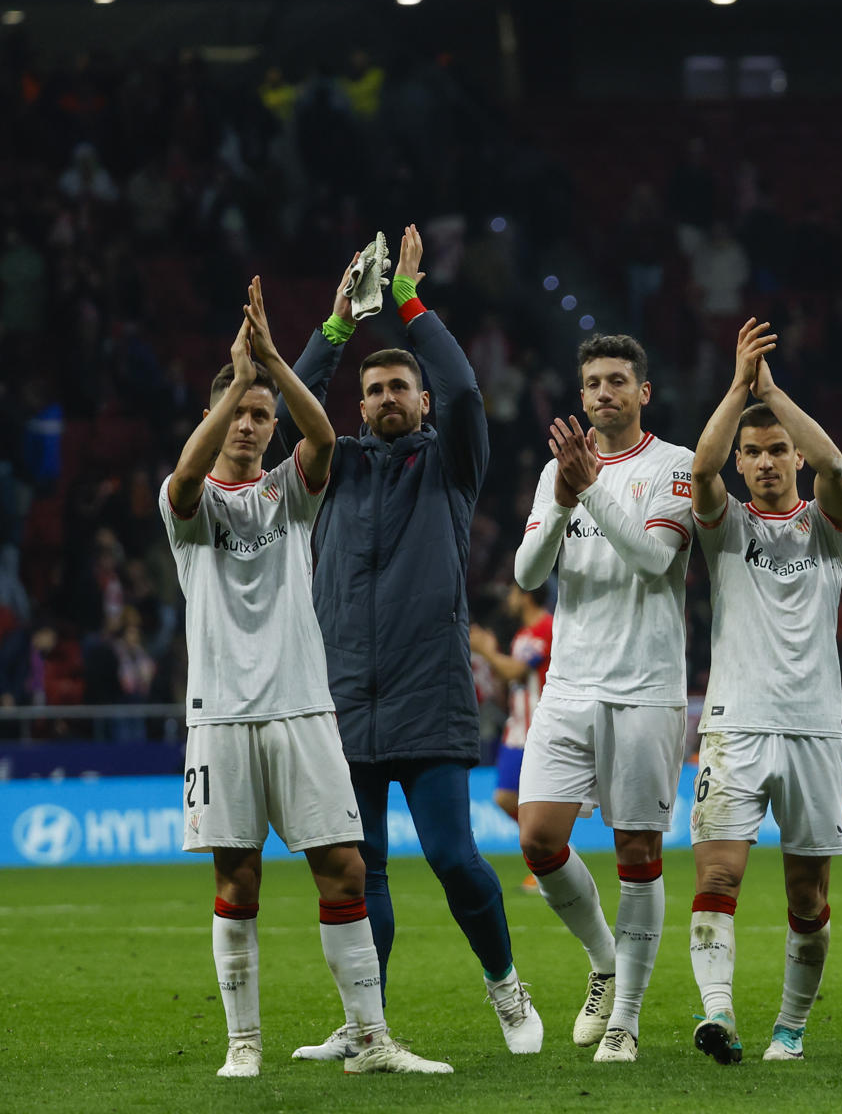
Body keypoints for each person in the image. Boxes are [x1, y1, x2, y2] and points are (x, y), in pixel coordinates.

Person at [166, 279, 447, 1077]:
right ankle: (242, 1043)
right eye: (240, 413)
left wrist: (272, 369)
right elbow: (188, 477)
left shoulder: (290, 494)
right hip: (219, 715)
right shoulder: (186, 506)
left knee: (345, 869)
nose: (253, 426)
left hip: (302, 708)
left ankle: (370, 1038)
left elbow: (321, 438)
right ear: (218, 417)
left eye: (261, 415)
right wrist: (236, 377)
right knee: (238, 875)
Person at [284, 225, 540, 1060]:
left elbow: (467, 391)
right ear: (358, 406)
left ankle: (506, 988)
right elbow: (295, 403)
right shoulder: (333, 467)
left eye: (402, 386)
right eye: (375, 389)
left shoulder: (450, 464)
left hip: (428, 693)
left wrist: (406, 304)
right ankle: (369, 1025)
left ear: (420, 402)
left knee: (455, 859)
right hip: (345, 696)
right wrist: (335, 326)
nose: (389, 397)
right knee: (365, 873)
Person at [512, 334, 698, 1062]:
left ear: (643, 392)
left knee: (637, 849)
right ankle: (605, 961)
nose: (603, 394)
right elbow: (530, 574)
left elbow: (655, 561)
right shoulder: (559, 472)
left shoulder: (673, 466)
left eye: (618, 381)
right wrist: (562, 497)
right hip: (570, 684)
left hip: (647, 688)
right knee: (538, 837)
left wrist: (588, 487)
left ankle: (625, 1018)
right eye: (592, 383)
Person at [687, 319, 842, 1065]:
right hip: (736, 723)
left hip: (815, 728)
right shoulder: (726, 531)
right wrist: (736, 389)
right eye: (751, 452)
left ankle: (791, 1027)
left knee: (807, 898)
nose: (761, 462)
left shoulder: (826, 529)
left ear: (794, 456)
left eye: (774, 450)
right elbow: (700, 471)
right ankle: (719, 1015)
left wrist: (774, 393)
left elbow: (840, 467)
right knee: (718, 874)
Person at [469, 586, 553, 892]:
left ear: (528, 595)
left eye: (515, 593)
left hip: (538, 729)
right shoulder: (522, 635)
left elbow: (517, 671)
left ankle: (547, 862)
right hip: (517, 729)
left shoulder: (547, 627)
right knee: (505, 797)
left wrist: (487, 651)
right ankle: (548, 856)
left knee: (525, 802)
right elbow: (510, 676)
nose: (509, 599)